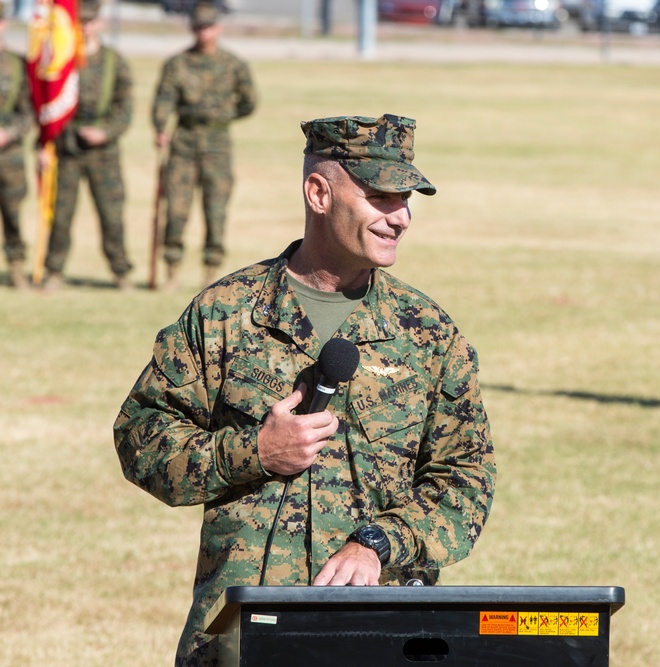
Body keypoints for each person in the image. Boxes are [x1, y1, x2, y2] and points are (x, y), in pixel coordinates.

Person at [114, 114, 497, 666]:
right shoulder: (226, 313)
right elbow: (141, 438)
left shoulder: (428, 332)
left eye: (407, 198)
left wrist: (380, 543)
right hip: (245, 637)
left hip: (381, 636)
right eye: (381, 197)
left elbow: (466, 476)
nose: (402, 217)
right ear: (319, 192)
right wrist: (254, 453)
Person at [152, 1, 256, 291]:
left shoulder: (233, 64)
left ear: (218, 28)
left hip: (217, 145)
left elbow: (249, 101)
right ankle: (171, 270)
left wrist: (222, 116)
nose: (203, 33)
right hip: (183, 143)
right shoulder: (177, 64)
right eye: (198, 27)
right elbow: (163, 100)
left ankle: (211, 272)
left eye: (208, 27)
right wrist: (160, 128)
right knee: (176, 210)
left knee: (215, 210)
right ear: (191, 28)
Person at [41, 0, 134, 291]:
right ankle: (53, 271)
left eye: (91, 22)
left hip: (103, 153)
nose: (85, 27)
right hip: (68, 150)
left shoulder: (113, 61)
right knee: (61, 213)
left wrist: (105, 132)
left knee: (111, 214)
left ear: (100, 24)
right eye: (80, 23)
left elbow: (125, 108)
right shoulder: (62, 60)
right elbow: (48, 104)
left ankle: (121, 272)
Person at [0, 5, 32, 290]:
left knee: (12, 214)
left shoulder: (18, 65)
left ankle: (17, 268)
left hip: (8, 155)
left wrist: (8, 133)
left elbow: (29, 112)